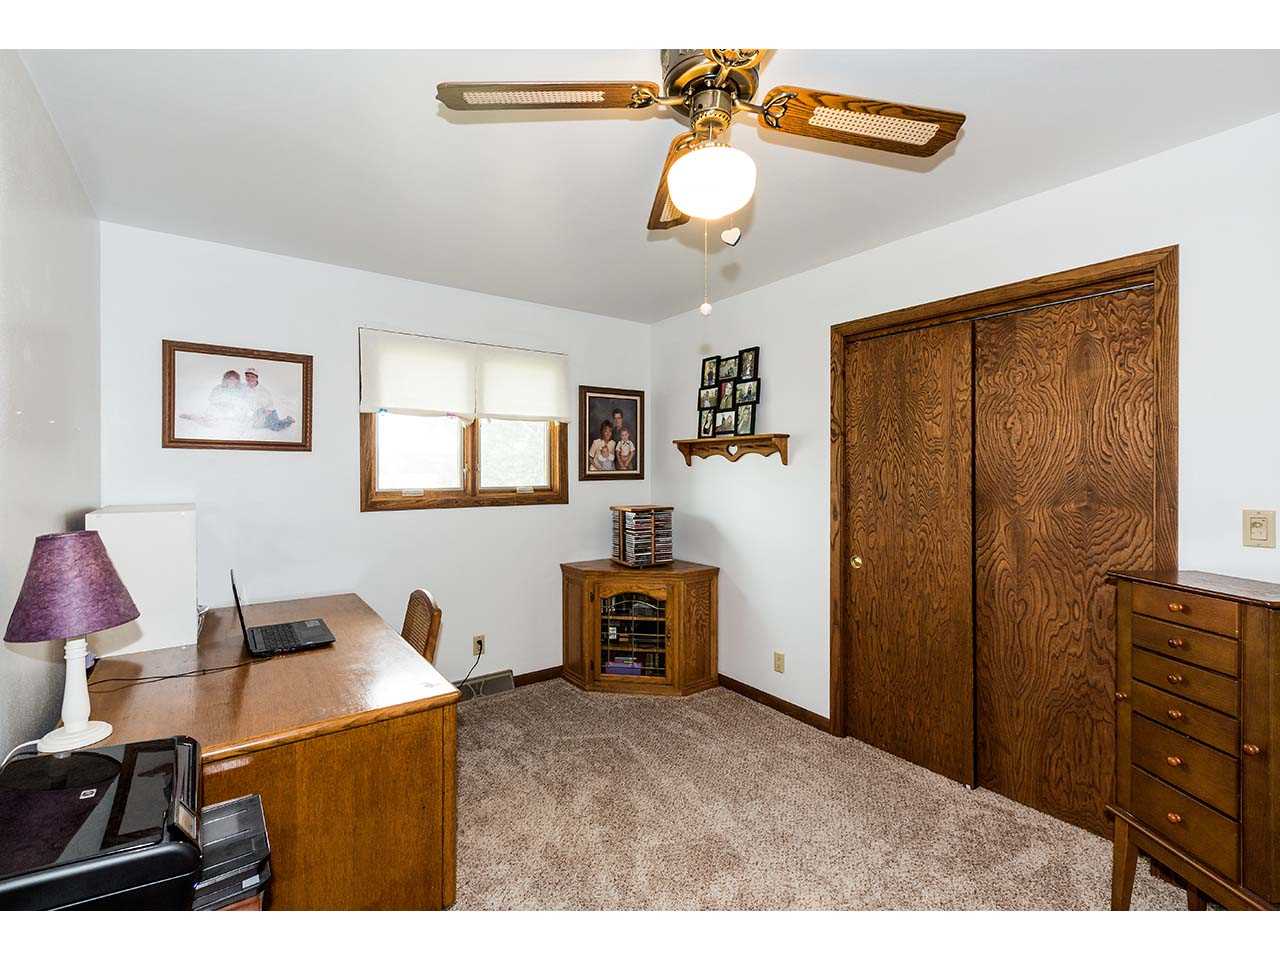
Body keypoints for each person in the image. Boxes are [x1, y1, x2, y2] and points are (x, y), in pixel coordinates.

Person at [243, 367, 295, 432]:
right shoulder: (244, 388)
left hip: (268, 411)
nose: (249, 378)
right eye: (247, 376)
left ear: (256, 378)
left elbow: (269, 404)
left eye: (252, 377)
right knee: (256, 426)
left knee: (275, 427)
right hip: (256, 412)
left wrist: (267, 412)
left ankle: (288, 420)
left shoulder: (263, 391)